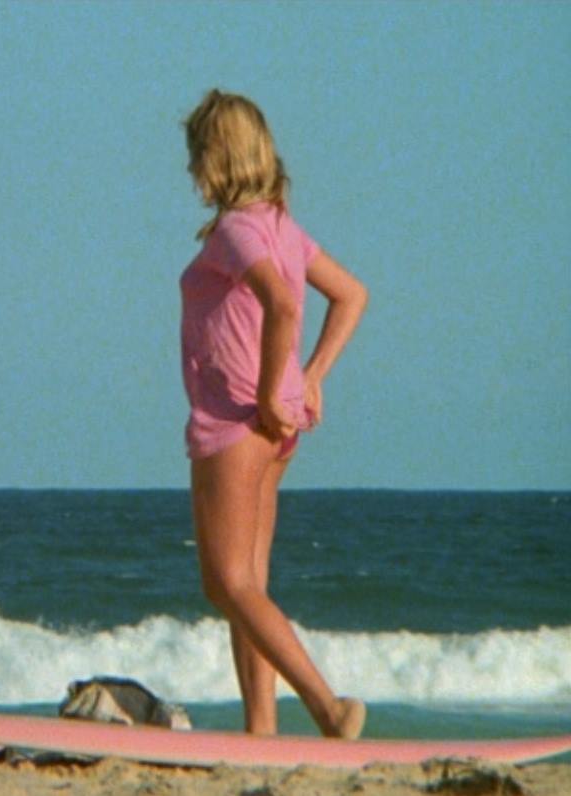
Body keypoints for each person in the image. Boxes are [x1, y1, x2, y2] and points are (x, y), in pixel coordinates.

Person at [178, 91, 369, 738]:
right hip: (275, 427)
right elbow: (352, 295)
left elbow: (283, 304)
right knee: (249, 587)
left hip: (237, 421)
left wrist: (267, 391)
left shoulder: (237, 230)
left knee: (227, 584)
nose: (191, 168)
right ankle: (261, 730)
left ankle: (327, 708)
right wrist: (308, 378)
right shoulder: (283, 226)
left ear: (216, 156)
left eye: (196, 153)